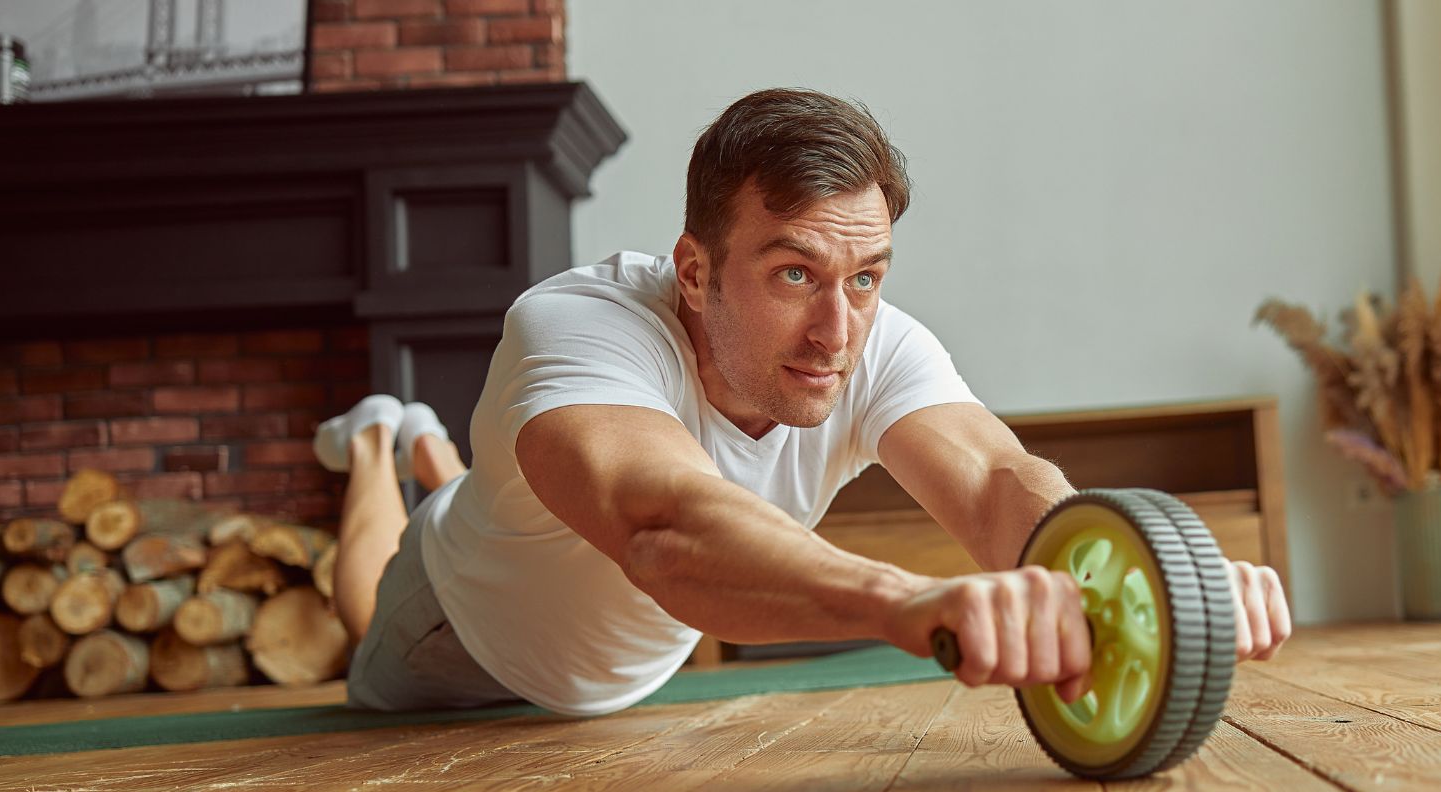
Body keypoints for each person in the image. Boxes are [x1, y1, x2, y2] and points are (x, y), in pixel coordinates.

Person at [315, 87, 1291, 718]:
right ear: (693, 271)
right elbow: (664, 527)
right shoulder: (579, 325)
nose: (837, 330)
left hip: (596, 650)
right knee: (366, 604)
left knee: (489, 489)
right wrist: (907, 602)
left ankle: (439, 456)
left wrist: (1165, 579)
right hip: (455, 641)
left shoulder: (872, 341)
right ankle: (375, 446)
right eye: (793, 276)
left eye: (865, 277)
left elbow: (998, 481)